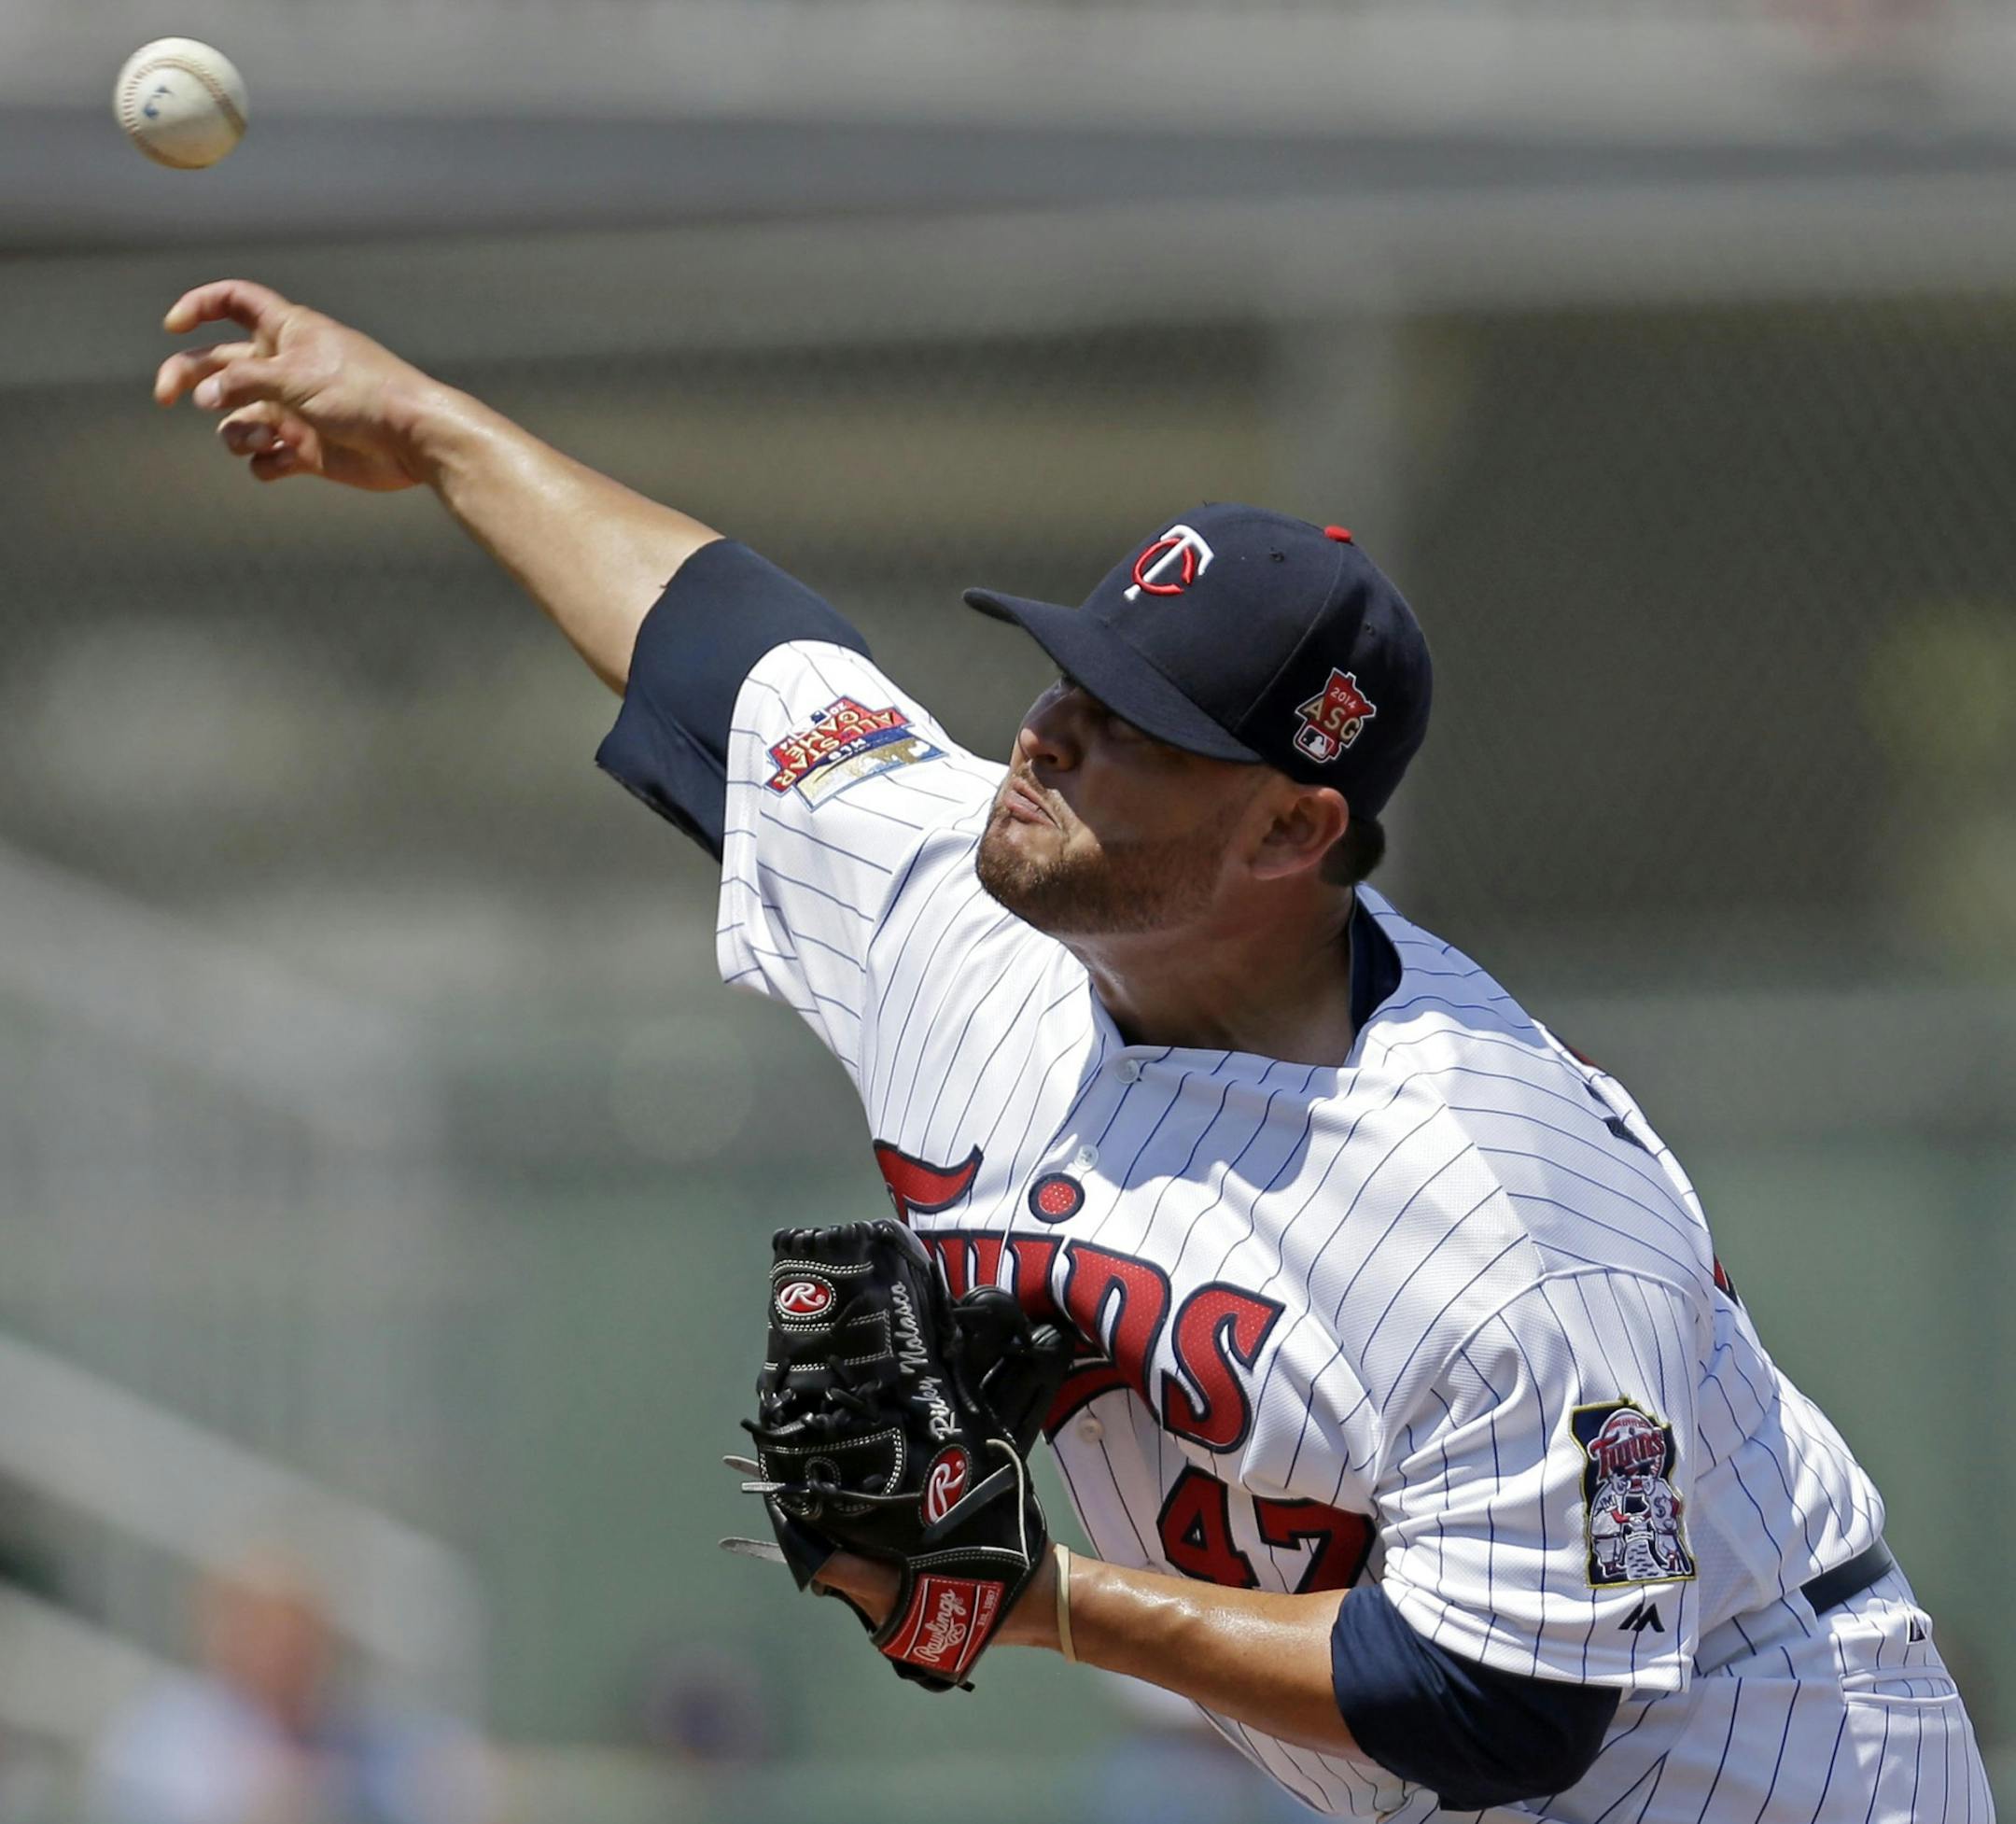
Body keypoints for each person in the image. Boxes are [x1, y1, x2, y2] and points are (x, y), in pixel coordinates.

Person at [154, 281, 1995, 1823]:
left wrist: (1034, 1599)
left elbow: (1512, 1699)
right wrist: (427, 427)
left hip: (1762, 1761)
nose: (1044, 733)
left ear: (1288, 832)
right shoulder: (964, 907)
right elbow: (730, 652)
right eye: (1069, 672)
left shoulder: (1513, 1205)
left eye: (1135, 725)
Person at [87, 1549, 491, 1824]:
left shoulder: (353, 1728)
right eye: (265, 1629)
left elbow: (449, 1776)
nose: (286, 1651)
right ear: (224, 1635)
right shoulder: (167, 1731)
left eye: (300, 1633)